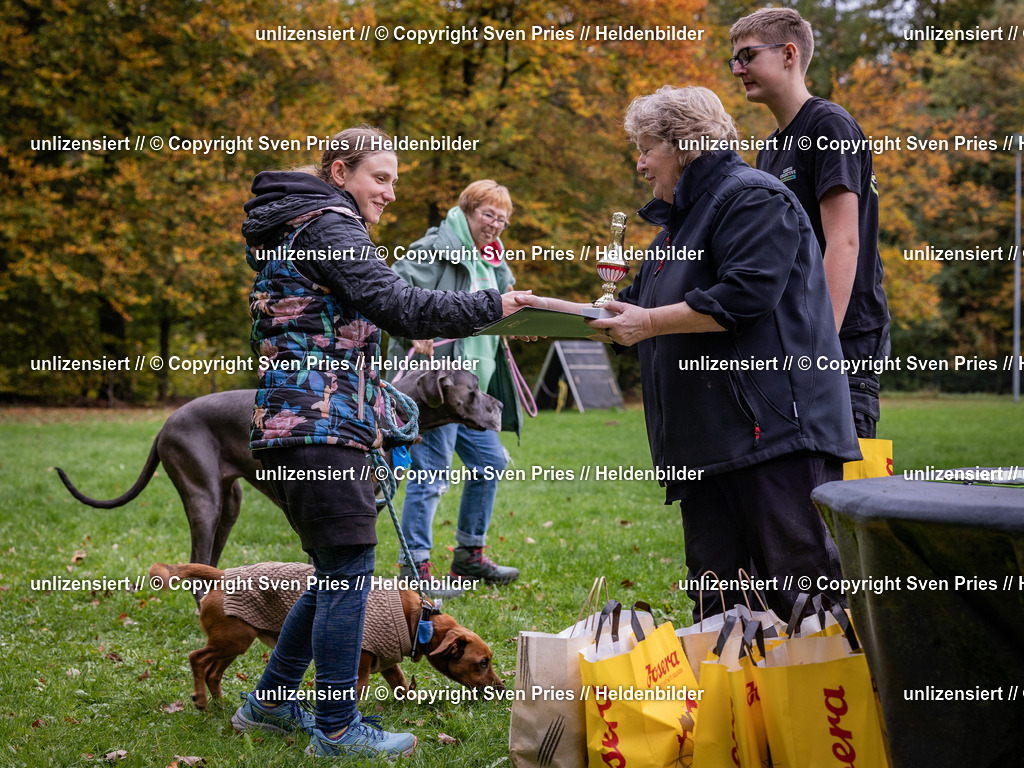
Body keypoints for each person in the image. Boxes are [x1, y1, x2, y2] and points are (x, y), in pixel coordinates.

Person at [237, 125, 531, 758]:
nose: (391, 192)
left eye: (395, 180)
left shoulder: (301, 224)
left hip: (299, 424)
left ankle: (268, 703)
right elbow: (405, 308)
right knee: (348, 576)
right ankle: (338, 729)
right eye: (381, 177)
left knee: (332, 572)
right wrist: (495, 305)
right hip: (318, 426)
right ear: (340, 172)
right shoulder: (329, 227)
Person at [521, 86, 861, 619]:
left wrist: (650, 322)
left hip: (771, 439)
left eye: (645, 147)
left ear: (682, 144)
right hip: (705, 446)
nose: (639, 163)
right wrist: (545, 312)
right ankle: (733, 703)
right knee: (720, 608)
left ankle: (827, 703)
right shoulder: (676, 227)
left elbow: (746, 295)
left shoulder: (753, 197)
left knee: (803, 598)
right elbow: (628, 311)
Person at [730, 7, 891, 439]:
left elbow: (844, 243)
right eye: (734, 60)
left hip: (843, 334)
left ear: (788, 53)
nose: (737, 69)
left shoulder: (828, 125)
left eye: (747, 56)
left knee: (838, 482)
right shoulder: (771, 150)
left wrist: (822, 347)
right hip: (798, 334)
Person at [388, 181, 521, 594]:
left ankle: (469, 557)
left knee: (490, 462)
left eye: (502, 219)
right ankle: (416, 569)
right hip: (436, 387)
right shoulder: (435, 247)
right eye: (488, 215)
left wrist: (522, 322)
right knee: (431, 474)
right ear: (467, 210)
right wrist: (415, 331)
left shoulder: (494, 260)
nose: (496, 225)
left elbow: (507, 302)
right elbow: (393, 292)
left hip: (471, 391)